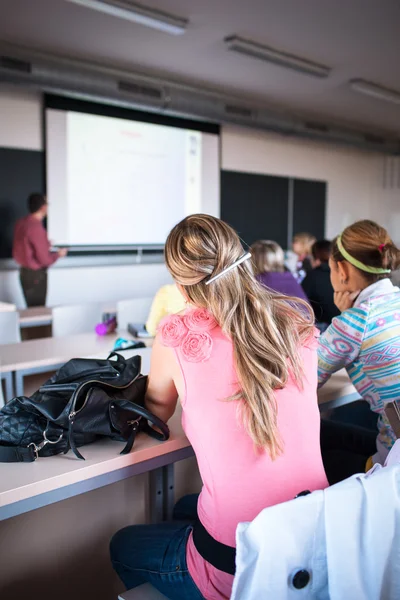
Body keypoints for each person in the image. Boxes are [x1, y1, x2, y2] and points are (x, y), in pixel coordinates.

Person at [110, 214, 328, 600]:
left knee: (123, 545)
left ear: (181, 284)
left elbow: (157, 411)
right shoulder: (296, 321)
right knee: (183, 508)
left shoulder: (176, 333)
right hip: (317, 544)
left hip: (238, 565)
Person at [318, 220, 400, 484]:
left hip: (391, 467)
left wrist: (346, 318)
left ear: (341, 269)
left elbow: (303, 379)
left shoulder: (354, 322)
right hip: (392, 438)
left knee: (316, 450)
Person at [13, 193, 67, 307]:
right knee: (38, 311)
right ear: (43, 207)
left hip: (24, 273)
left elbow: (25, 245)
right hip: (35, 276)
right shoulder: (35, 227)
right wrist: (58, 254)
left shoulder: (21, 223)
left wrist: (45, 243)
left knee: (31, 310)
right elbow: (44, 260)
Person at [302, 240, 340, 329]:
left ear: (316, 258)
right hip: (343, 323)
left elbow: (301, 301)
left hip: (321, 326)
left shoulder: (313, 275)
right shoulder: (341, 273)